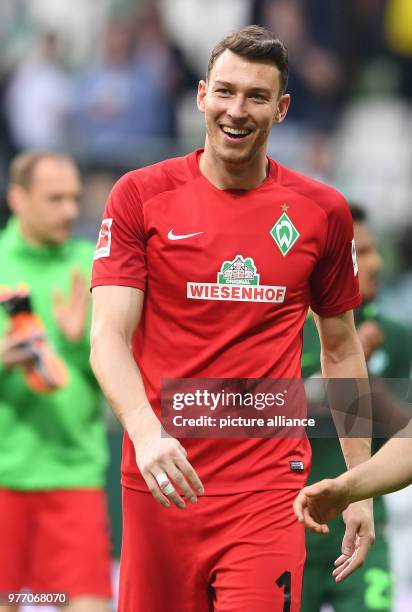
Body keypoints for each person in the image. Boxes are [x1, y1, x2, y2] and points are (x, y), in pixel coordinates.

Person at [90, 25, 374, 612]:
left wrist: (360, 488)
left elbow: (342, 349)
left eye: (256, 97)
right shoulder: (140, 195)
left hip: (267, 490)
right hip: (160, 481)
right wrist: (146, 435)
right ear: (200, 95)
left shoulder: (321, 212)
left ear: (283, 108)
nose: (236, 111)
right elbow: (107, 339)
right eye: (224, 92)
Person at [0, 152, 112, 612]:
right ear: (17, 199)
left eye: (74, 198)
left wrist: (82, 348)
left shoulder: (96, 267)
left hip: (74, 474)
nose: (70, 210)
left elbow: (127, 379)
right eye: (54, 199)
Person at [301, 204, 412, 611]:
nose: (376, 262)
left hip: (366, 525)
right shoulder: (289, 329)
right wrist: (334, 374)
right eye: (361, 253)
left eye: (375, 250)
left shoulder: (395, 337)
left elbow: (406, 431)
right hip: (293, 528)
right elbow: (258, 412)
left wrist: (363, 374)